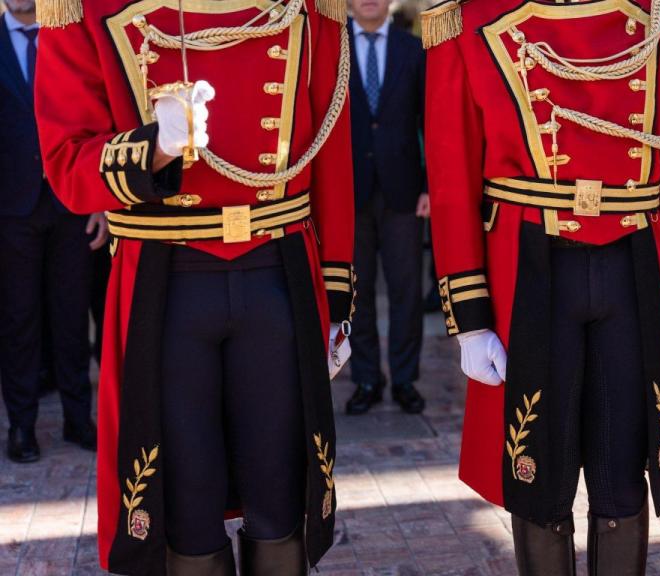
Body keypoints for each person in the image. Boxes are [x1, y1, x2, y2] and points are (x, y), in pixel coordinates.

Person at [35, 0, 355, 573]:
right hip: (166, 283)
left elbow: (332, 152)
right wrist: (152, 148)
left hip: (276, 271)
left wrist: (336, 298)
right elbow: (66, 161)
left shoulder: (306, 7)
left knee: (281, 499)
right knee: (184, 505)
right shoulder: (85, 7)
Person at [422, 0, 660, 573]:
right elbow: (452, 176)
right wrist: (471, 315)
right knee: (537, 476)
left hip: (630, 264)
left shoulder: (655, 15)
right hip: (531, 270)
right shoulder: (470, 19)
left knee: (624, 472)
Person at [0, 0, 101, 464]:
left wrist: (100, 198)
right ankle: (21, 427)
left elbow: (95, 118)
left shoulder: (70, 39)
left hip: (71, 205)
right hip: (10, 210)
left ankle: (78, 420)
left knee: (71, 318)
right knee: (18, 321)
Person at [346, 0, 428, 416]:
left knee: (406, 291)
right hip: (348, 193)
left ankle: (404, 379)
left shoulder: (412, 49)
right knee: (356, 293)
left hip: (405, 192)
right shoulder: (331, 48)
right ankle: (365, 379)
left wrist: (431, 186)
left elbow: (430, 122)